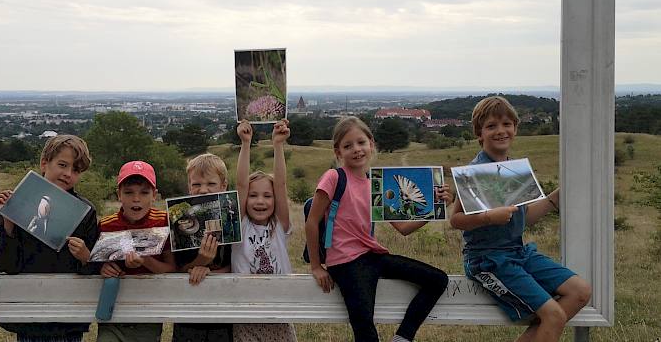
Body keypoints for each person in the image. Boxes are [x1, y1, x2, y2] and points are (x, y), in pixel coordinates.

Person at [449, 96, 592, 342]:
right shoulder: (475, 171)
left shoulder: (515, 169)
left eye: (506, 124)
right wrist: (488, 217)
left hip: (518, 253)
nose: (501, 131)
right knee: (554, 316)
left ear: (515, 128)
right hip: (488, 259)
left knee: (580, 291)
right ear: (479, 133)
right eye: (491, 126)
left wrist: (555, 197)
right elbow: (456, 220)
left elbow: (523, 219)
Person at [305, 116, 450, 342]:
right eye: (348, 145)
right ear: (338, 152)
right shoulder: (334, 177)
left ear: (371, 144)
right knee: (365, 329)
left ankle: (402, 338)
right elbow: (312, 221)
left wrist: (437, 205)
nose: (356, 149)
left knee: (438, 280)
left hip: (373, 256)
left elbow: (403, 228)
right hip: (344, 262)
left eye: (361, 142)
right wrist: (316, 266)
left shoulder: (378, 185)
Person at [0, 135, 100, 342]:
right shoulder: (17, 202)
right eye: (62, 165)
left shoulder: (86, 212)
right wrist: (8, 223)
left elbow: (94, 269)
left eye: (76, 170)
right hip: (28, 314)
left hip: (67, 317)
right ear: (44, 163)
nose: (68, 174)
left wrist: (85, 256)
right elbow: (8, 265)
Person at [230, 119, 296, 342]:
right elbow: (240, 185)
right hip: (245, 311)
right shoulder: (239, 226)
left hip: (279, 308)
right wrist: (246, 144)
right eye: (253, 195)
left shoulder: (279, 225)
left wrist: (277, 145)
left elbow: (281, 185)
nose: (260, 201)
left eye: (267, 196)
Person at [98, 160, 176, 342]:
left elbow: (171, 268)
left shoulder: (164, 222)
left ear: (154, 195)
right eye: (128, 192)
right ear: (119, 195)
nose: (136, 199)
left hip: (148, 312)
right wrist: (102, 268)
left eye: (144, 192)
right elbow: (96, 262)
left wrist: (145, 260)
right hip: (112, 311)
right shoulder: (106, 225)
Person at [172, 153, 233, 342]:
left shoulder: (232, 218)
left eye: (211, 184)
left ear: (223, 186)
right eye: (196, 184)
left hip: (224, 313)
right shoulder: (179, 220)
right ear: (189, 187)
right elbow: (178, 269)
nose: (203, 190)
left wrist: (211, 271)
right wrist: (202, 261)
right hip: (189, 312)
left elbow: (239, 264)